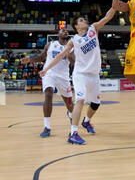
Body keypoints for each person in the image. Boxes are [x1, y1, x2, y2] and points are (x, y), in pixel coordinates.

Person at [40, 8, 115, 144]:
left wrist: (115, 4)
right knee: (80, 100)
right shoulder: (73, 40)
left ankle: (86, 121)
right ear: (76, 26)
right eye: (81, 20)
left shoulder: (93, 29)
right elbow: (60, 56)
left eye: (84, 20)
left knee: (96, 104)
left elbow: (107, 17)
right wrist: (47, 69)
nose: (84, 21)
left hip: (94, 75)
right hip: (80, 74)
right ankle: (73, 133)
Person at [22, 28, 74, 138]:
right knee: (48, 94)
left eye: (66, 31)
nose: (65, 32)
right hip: (49, 73)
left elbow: (74, 63)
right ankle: (47, 127)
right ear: (58, 34)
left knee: (69, 103)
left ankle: (70, 114)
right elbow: (41, 57)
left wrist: (70, 55)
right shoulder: (50, 44)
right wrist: (30, 60)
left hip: (63, 76)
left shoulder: (71, 47)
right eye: (63, 30)